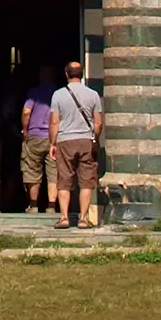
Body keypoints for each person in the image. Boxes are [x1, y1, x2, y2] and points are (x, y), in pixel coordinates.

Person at [51, 60, 105, 229]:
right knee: (86, 181)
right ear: (82, 75)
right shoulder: (93, 94)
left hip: (65, 140)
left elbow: (54, 122)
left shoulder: (58, 95)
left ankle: (65, 217)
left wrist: (52, 144)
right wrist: (94, 139)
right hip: (86, 140)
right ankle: (83, 218)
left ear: (66, 74)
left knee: (64, 179)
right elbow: (98, 123)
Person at [19, 63, 59, 213]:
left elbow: (26, 112)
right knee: (53, 171)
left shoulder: (34, 92)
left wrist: (25, 130)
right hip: (53, 137)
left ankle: (34, 205)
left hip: (35, 135)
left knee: (31, 170)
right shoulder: (58, 93)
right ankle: (51, 206)